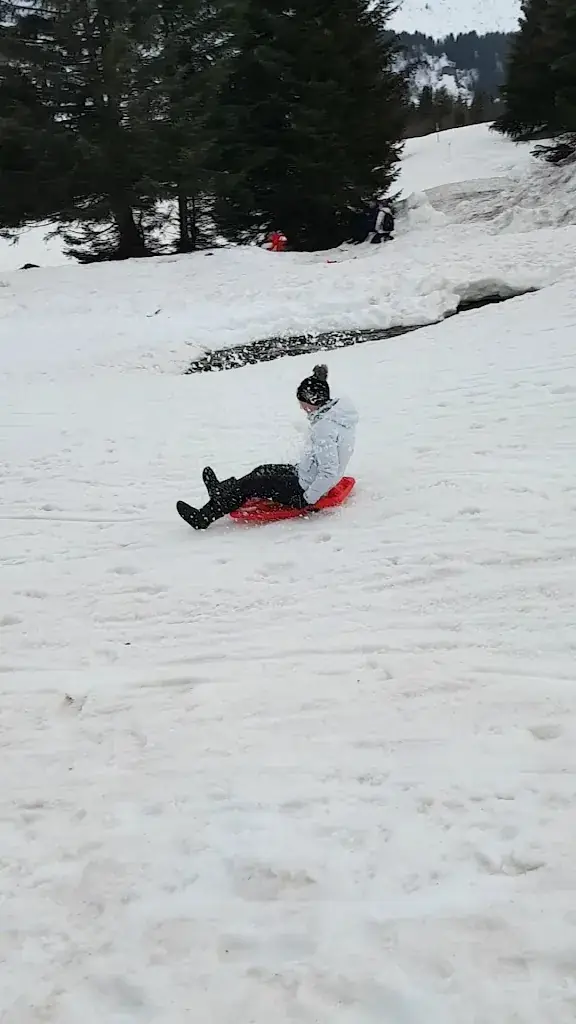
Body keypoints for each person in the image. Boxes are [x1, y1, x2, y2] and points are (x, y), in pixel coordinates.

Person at [177, 364, 358, 530]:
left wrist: (307, 499)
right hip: (306, 476)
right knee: (262, 470)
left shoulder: (324, 429)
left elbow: (328, 471)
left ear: (313, 400)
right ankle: (222, 492)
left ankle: (203, 517)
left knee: (252, 484)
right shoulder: (336, 417)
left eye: (302, 402)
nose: (301, 407)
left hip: (304, 490)